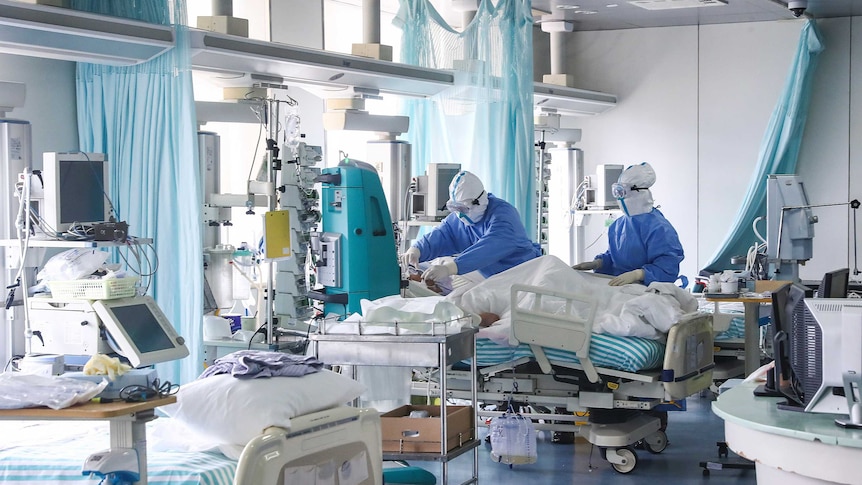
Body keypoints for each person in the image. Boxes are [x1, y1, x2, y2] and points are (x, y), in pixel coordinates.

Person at [401, 170, 542, 283]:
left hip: (525, 276)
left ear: (479, 202)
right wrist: (416, 250)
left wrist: (450, 268)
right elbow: (442, 234)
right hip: (493, 277)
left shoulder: (504, 216)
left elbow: (488, 249)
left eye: (463, 209)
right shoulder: (460, 220)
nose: (460, 216)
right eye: (455, 209)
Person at [573, 162, 684, 287]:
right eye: (616, 192)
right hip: (622, 292)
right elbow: (615, 258)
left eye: (622, 192)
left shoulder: (660, 228)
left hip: (648, 293)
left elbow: (668, 267)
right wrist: (598, 263)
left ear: (639, 192)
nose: (619, 198)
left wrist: (639, 274)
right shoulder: (617, 226)